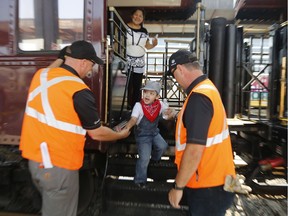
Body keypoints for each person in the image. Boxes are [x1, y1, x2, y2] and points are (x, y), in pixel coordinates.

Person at [19, 40, 130, 216]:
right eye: (92, 65)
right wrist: (120, 134)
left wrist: (62, 57)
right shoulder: (79, 90)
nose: (91, 70)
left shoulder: (41, 76)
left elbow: (52, 68)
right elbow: (97, 133)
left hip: (36, 162)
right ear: (83, 62)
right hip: (59, 167)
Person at [167, 49, 236, 216]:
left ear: (180, 69)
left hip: (208, 186)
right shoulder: (208, 88)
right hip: (219, 180)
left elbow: (194, 150)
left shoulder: (198, 97)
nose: (176, 81)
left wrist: (178, 187)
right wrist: (178, 115)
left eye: (173, 75)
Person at [124, 80, 168, 188]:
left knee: (163, 146)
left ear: (157, 96)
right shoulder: (138, 106)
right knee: (144, 158)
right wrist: (127, 128)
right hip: (142, 135)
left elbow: (166, 115)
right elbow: (133, 119)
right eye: (146, 92)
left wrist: (171, 113)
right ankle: (140, 180)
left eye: (151, 93)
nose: (147, 95)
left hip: (154, 132)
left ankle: (155, 159)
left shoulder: (160, 105)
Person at [126, 8, 158, 109]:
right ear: (132, 16)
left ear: (143, 18)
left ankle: (135, 108)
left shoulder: (144, 31)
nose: (138, 17)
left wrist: (154, 44)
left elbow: (147, 46)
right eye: (136, 15)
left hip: (139, 62)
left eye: (140, 16)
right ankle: (124, 108)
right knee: (125, 86)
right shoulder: (124, 27)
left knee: (137, 87)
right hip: (126, 60)